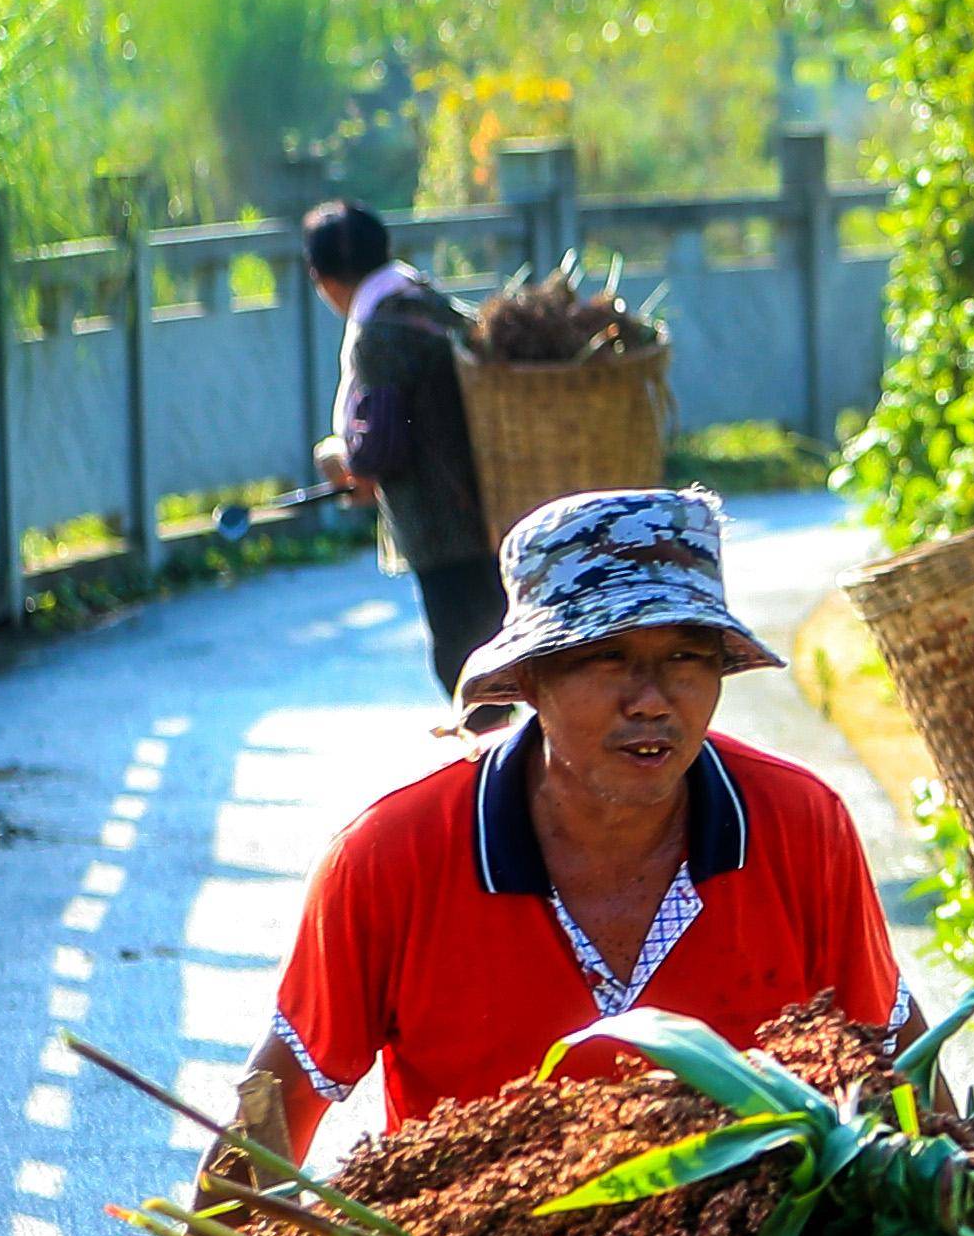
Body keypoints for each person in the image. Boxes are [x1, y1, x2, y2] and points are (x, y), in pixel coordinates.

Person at [242, 489, 907, 1154]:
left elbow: (893, 1060)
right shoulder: (391, 856)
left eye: (684, 657)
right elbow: (276, 1105)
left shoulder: (799, 826)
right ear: (530, 679)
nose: (650, 701)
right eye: (606, 657)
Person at [301, 202, 506, 705]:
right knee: (497, 647)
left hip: (439, 523)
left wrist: (342, 459)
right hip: (493, 508)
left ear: (321, 278)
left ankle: (487, 771)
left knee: (463, 663)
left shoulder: (377, 337)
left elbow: (379, 450)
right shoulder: (431, 305)